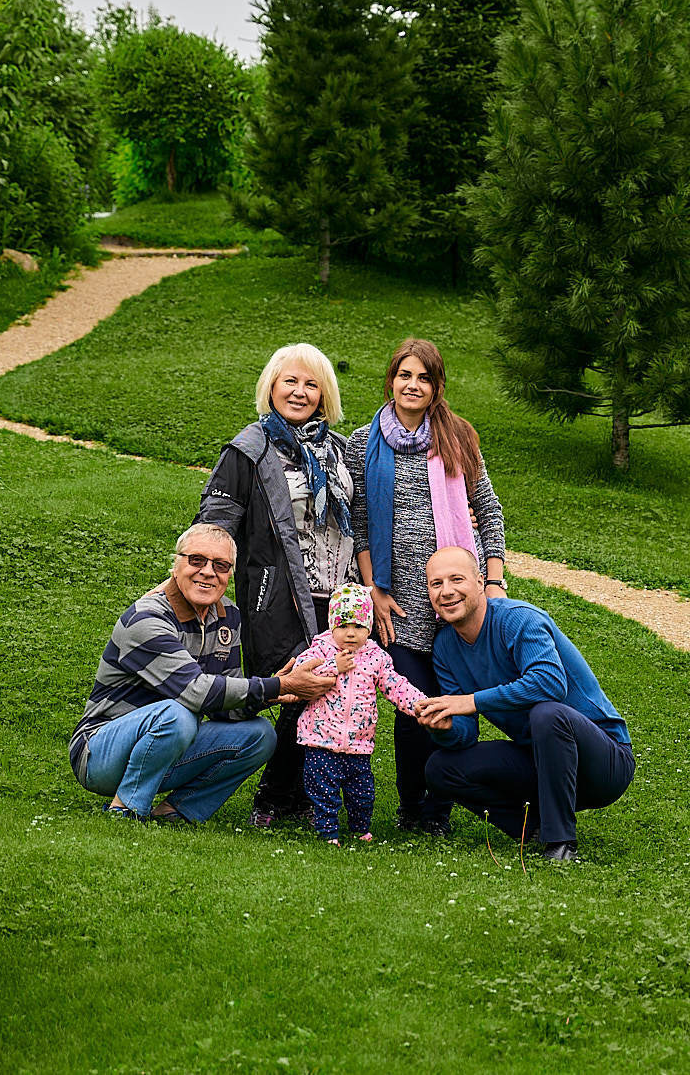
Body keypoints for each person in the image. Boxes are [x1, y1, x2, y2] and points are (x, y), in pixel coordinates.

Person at [68, 523, 340, 823]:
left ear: (229, 574)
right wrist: (278, 684)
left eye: (221, 565)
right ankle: (127, 808)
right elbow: (196, 692)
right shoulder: (147, 618)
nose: (208, 572)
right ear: (176, 564)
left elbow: (225, 708)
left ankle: (179, 812)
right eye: (196, 560)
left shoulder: (228, 615)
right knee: (178, 714)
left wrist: (280, 693)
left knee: (260, 735)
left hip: (167, 745)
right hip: (98, 754)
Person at [345, 338, 508, 836]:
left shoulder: (458, 437)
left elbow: (490, 509)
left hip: (456, 598)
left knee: (454, 700)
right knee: (414, 705)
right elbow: (358, 523)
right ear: (391, 380)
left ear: (437, 387)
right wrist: (374, 589)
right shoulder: (362, 442)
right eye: (404, 375)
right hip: (397, 603)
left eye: (424, 378)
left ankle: (443, 804)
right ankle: (415, 807)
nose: (412, 386)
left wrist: (494, 580)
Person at [199, 343, 356, 828]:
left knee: (331, 689)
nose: (300, 391)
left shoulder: (339, 450)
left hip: (338, 591)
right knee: (300, 685)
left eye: (311, 384)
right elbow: (215, 524)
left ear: (324, 394)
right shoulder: (247, 450)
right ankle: (274, 797)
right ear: (270, 385)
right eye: (290, 380)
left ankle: (299, 796)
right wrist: (207, 586)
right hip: (278, 593)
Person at [416, 546, 633, 862]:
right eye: (436, 584)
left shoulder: (519, 619)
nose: (447, 591)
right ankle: (529, 828)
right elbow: (466, 732)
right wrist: (446, 727)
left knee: (547, 713)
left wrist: (471, 701)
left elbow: (550, 684)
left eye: (456, 579)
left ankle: (560, 845)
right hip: (542, 762)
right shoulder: (445, 647)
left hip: (603, 763)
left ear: (480, 582)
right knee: (440, 767)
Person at [283, 583, 429, 845]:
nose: (350, 633)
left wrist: (419, 703)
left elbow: (395, 685)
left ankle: (360, 829)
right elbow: (301, 677)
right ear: (331, 625)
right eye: (343, 626)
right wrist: (333, 666)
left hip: (358, 744)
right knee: (323, 791)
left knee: (362, 793)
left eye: (359, 626)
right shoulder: (320, 650)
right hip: (321, 740)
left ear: (369, 626)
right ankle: (327, 832)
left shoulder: (375, 657)